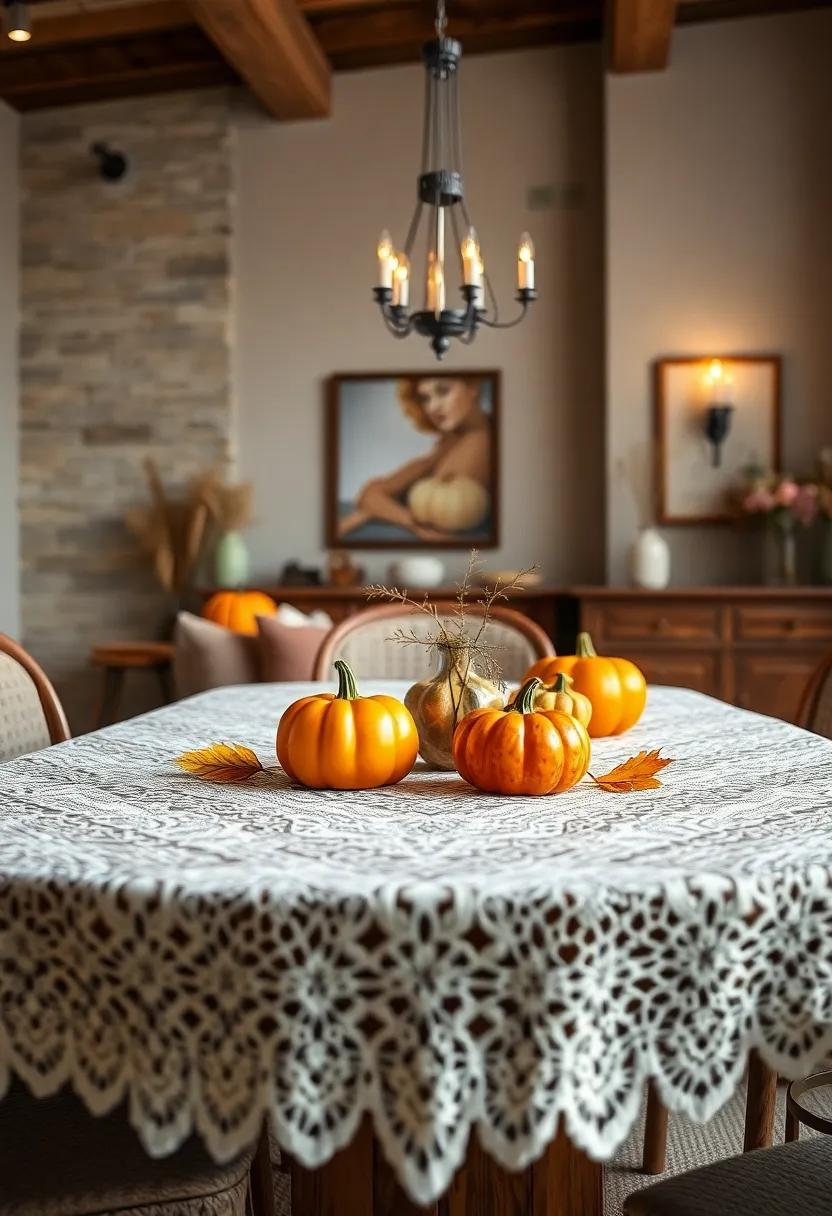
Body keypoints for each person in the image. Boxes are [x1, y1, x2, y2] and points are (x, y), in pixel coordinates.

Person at [338, 376, 492, 541]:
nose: (433, 407)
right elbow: (370, 494)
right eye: (425, 398)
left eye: (443, 391)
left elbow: (445, 521)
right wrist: (412, 523)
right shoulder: (451, 439)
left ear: (473, 387)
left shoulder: (485, 442)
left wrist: (384, 512)